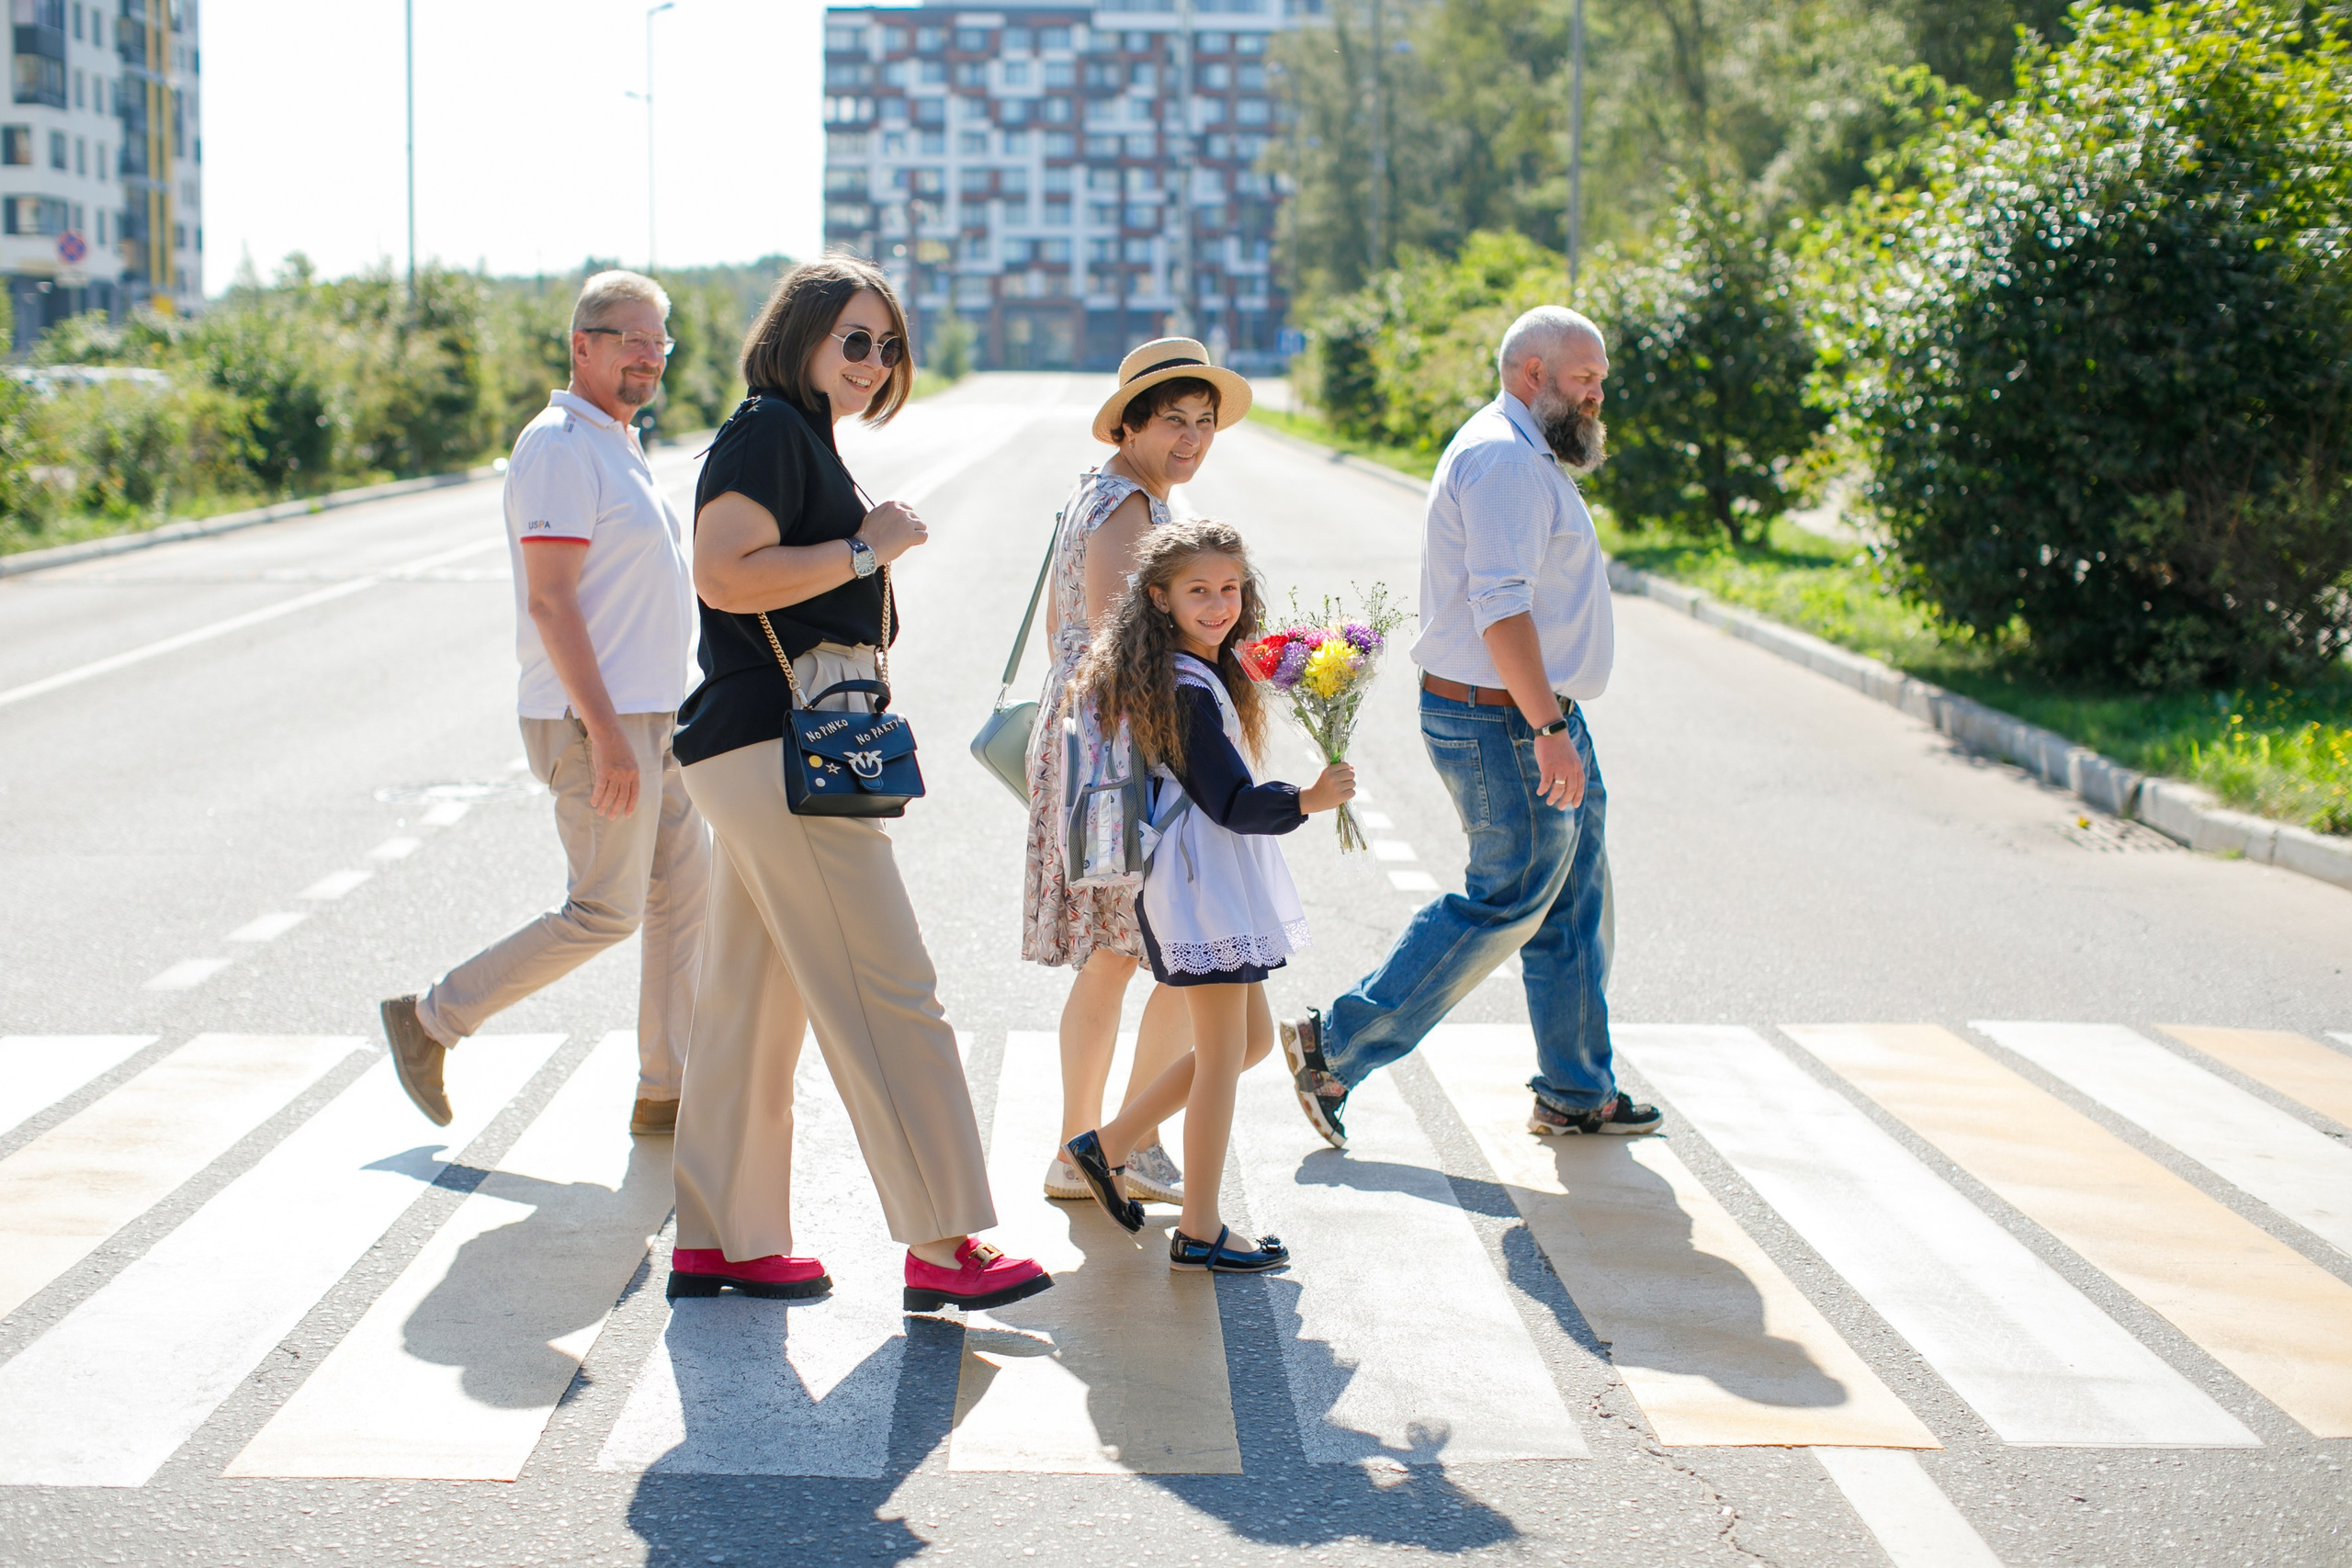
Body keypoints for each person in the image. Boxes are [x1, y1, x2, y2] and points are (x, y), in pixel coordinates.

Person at [665, 256, 1048, 1312]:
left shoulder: (798, 437)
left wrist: (858, 550)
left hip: (754, 752)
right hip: (775, 755)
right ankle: (942, 1240)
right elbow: (723, 571)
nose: (874, 364)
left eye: (888, 347)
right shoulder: (771, 433)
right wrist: (862, 546)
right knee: (891, 988)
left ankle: (723, 1239)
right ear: (799, 338)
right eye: (854, 341)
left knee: (753, 1000)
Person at [1278, 306, 1661, 1147]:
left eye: (1600, 379)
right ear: (1533, 374)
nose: (1599, 394)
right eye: (1584, 378)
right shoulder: (1503, 461)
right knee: (1509, 899)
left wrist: (1558, 720)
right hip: (1512, 721)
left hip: (1537, 714)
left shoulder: (1525, 451)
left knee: (1570, 897)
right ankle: (1334, 1048)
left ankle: (1574, 1088)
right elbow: (1501, 608)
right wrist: (1549, 726)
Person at [380, 270, 707, 1136]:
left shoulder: (615, 440)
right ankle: (429, 1020)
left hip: (655, 712)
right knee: (605, 908)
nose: (648, 354)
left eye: (659, 341)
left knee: (683, 888)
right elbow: (552, 601)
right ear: (583, 345)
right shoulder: (561, 444)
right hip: (596, 716)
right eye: (629, 337)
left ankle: (668, 1085)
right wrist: (604, 735)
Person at [1061, 523, 1355, 1272]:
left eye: (1230, 589)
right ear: (1159, 598)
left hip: (1211, 880)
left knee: (1250, 1042)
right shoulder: (1184, 687)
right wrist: (1311, 799)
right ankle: (1200, 1226)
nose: (1220, 604)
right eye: (1199, 590)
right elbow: (1229, 802)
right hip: (1200, 886)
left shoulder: (1195, 672)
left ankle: (1111, 1144)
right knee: (1224, 1053)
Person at [1022, 339, 1253, 1208]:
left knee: (1122, 952)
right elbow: (1128, 649)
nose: (1193, 438)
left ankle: (1095, 1144)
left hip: (1101, 742)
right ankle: (1110, 1144)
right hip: (1117, 745)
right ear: (1130, 423)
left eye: (1205, 423)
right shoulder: (1127, 506)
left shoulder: (1120, 492)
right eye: (1174, 421)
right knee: (1148, 951)